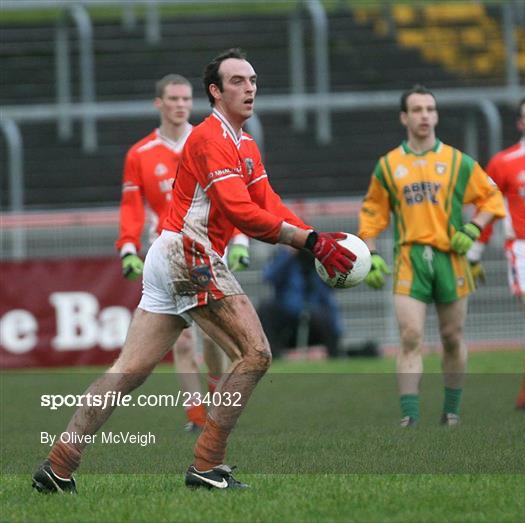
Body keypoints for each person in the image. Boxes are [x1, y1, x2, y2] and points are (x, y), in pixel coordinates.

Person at [32, 48, 355, 493]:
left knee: (129, 371)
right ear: (215, 92)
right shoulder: (208, 138)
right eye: (238, 81)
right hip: (189, 253)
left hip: (174, 254)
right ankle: (207, 464)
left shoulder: (245, 143)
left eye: (253, 80)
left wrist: (316, 237)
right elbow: (240, 210)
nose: (250, 88)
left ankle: (58, 463)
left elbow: (268, 203)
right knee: (256, 353)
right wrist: (309, 242)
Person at [358, 85, 505, 427]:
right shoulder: (389, 165)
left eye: (429, 109)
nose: (424, 115)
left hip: (450, 258)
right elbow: (372, 215)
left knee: (452, 337)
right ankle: (409, 416)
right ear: (404, 117)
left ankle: (451, 410)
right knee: (410, 336)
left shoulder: (456, 161)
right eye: (417, 109)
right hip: (410, 257)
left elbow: (492, 197)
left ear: (436, 115)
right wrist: (372, 254)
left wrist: (473, 228)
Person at [115, 73, 250, 432]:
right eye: (173, 99)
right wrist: (128, 248)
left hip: (207, 248)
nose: (180, 105)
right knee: (184, 337)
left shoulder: (208, 142)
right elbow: (132, 206)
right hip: (168, 252)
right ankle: (195, 416)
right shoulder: (140, 154)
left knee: (210, 335)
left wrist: (239, 242)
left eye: (186, 99)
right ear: (159, 103)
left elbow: (232, 198)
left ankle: (215, 394)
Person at [467, 95, 525, 410]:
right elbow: (488, 207)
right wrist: (474, 252)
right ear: (520, 123)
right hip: (524, 249)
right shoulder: (504, 162)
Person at [258, 247, 343, 358]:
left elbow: (332, 284)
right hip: (286, 310)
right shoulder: (285, 257)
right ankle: (273, 354)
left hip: (315, 311)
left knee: (329, 312)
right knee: (265, 308)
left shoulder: (319, 259)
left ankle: (332, 354)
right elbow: (269, 277)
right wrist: (288, 254)